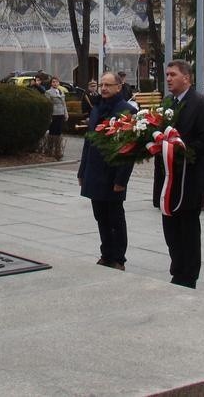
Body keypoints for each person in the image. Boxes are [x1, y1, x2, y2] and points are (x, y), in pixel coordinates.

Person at [152, 60, 204, 288]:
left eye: (173, 75)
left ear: (186, 78)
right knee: (170, 228)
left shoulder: (199, 103)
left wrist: (179, 148)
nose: (168, 79)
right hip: (169, 178)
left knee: (187, 229)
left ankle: (189, 274)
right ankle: (177, 269)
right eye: (167, 74)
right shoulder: (168, 102)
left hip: (189, 177)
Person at [78, 71, 135, 271]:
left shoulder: (126, 111)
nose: (103, 88)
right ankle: (106, 254)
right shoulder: (97, 109)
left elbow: (128, 150)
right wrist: (82, 171)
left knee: (115, 218)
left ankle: (118, 257)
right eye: (102, 84)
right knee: (100, 216)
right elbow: (88, 142)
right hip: (94, 171)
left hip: (113, 174)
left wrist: (121, 179)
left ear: (119, 87)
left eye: (108, 85)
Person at [44, 76, 69, 159]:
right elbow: (48, 104)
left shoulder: (61, 91)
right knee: (52, 131)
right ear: (51, 83)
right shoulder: (48, 92)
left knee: (59, 131)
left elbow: (64, 103)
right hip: (54, 114)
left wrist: (66, 113)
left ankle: (58, 151)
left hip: (61, 113)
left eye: (56, 82)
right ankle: (50, 150)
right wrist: (49, 115)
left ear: (59, 83)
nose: (55, 83)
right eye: (53, 82)